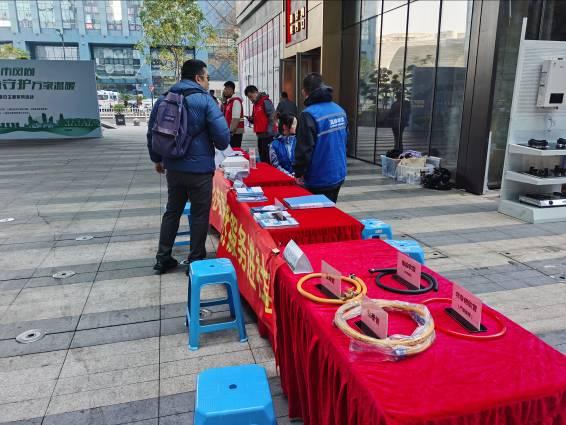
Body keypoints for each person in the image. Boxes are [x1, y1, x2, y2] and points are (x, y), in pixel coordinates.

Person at [147, 59, 230, 274]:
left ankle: (163, 258)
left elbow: (152, 132)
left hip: (173, 168)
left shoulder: (164, 99)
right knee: (200, 214)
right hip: (200, 171)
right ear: (198, 78)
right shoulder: (205, 100)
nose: (208, 81)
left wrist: (157, 159)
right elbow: (223, 139)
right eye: (207, 77)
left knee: (172, 211)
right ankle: (195, 260)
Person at [294, 73, 347, 203]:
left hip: (318, 177)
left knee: (317, 212)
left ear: (304, 92)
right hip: (338, 173)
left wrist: (298, 173)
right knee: (331, 209)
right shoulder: (339, 110)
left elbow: (304, 149)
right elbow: (346, 139)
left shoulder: (309, 114)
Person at [244, 85, 276, 163]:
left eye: (251, 96)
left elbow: (272, 116)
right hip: (260, 134)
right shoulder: (255, 104)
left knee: (267, 156)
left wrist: (269, 131)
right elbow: (255, 118)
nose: (251, 99)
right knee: (262, 155)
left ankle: (269, 170)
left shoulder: (265, 101)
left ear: (255, 92)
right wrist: (251, 119)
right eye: (249, 98)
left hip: (268, 135)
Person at [222, 80, 245, 148]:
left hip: (235, 133)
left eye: (226, 89)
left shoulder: (236, 101)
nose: (224, 91)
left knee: (234, 151)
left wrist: (231, 132)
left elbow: (235, 119)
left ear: (231, 89)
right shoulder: (230, 101)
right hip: (231, 132)